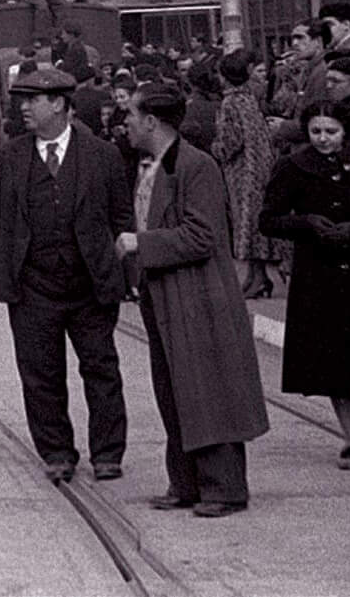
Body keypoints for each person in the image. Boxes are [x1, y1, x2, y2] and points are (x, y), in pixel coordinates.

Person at [0, 66, 132, 483]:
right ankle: (57, 451)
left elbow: (122, 219)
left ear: (59, 104)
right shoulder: (8, 158)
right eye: (21, 100)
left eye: (33, 100)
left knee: (101, 369)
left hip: (90, 284)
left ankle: (108, 453)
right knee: (40, 374)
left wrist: (128, 274)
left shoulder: (102, 155)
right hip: (32, 286)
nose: (24, 108)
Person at [116, 84, 268, 516]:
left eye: (131, 115)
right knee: (173, 389)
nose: (124, 122)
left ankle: (224, 488)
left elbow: (202, 236)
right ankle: (185, 483)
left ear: (152, 121)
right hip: (163, 292)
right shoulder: (153, 165)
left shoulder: (197, 166)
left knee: (207, 388)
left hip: (198, 293)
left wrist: (140, 244)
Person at [259, 101, 350, 467]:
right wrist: (307, 223)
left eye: (331, 132)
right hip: (318, 273)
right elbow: (269, 220)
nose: (323, 139)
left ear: (345, 131)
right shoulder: (293, 166)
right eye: (316, 132)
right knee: (334, 355)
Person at [212, 49, 282, 301]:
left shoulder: (230, 102)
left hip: (243, 171)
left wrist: (216, 148)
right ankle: (256, 275)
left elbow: (231, 141)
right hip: (261, 166)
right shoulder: (249, 99)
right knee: (253, 221)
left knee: (246, 221)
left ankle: (257, 277)